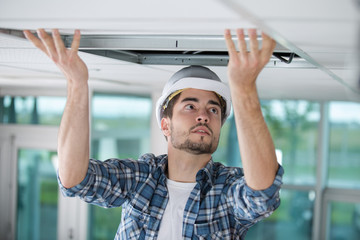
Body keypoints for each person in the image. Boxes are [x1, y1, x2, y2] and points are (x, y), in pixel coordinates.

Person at [24, 28, 283, 240]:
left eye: (213, 109)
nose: (204, 115)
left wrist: (244, 89)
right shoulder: (141, 178)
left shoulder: (227, 189)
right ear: (165, 125)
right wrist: (77, 85)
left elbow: (261, 196)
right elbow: (74, 180)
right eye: (190, 106)